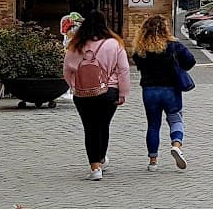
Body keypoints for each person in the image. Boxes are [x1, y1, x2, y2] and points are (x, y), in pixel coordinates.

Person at [63, 10, 129, 180]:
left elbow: (67, 70)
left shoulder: (75, 45)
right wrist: (123, 92)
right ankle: (101, 158)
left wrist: (74, 85)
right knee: (103, 125)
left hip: (83, 93)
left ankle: (95, 168)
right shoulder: (114, 44)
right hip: (109, 90)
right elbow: (123, 70)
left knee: (90, 128)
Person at [129, 14, 194, 172]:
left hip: (150, 90)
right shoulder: (173, 45)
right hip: (170, 89)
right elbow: (190, 61)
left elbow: (137, 63)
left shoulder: (141, 48)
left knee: (153, 125)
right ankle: (176, 145)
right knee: (175, 119)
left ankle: (153, 161)